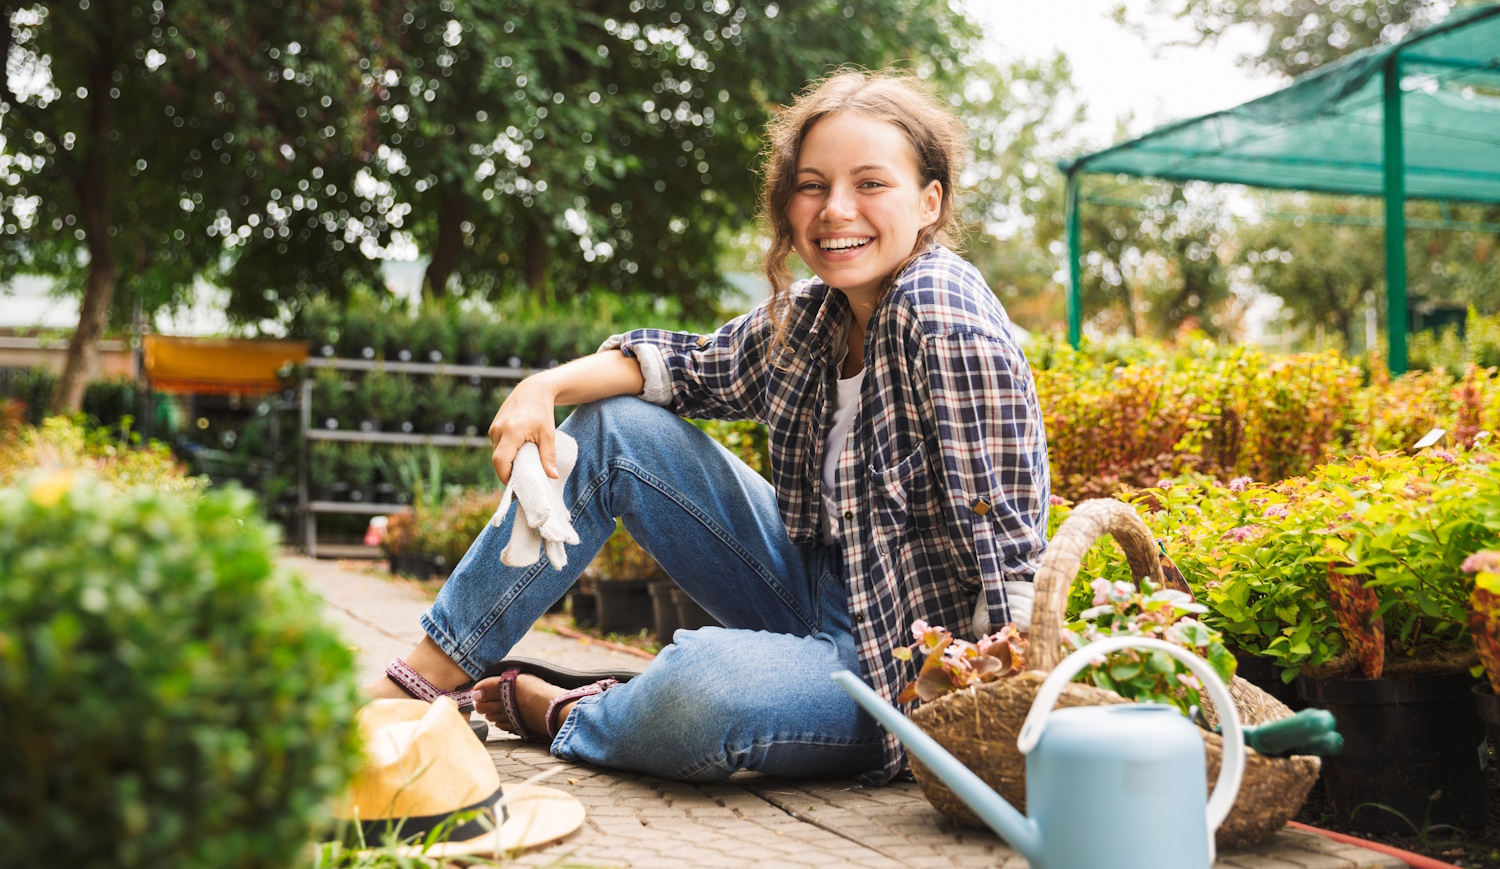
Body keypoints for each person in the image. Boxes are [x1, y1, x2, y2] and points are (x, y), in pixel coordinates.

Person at [367, 69, 1050, 785]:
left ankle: (570, 712)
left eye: (871, 184)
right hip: (811, 587)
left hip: (900, 670)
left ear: (929, 200)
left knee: (704, 689)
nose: (835, 209)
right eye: (812, 185)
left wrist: (993, 725)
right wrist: (543, 386)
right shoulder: (814, 317)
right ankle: (429, 675)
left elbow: (1006, 548)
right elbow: (681, 365)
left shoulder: (943, 316)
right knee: (615, 428)